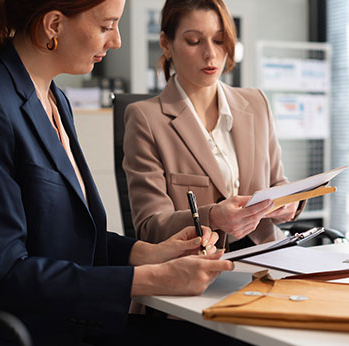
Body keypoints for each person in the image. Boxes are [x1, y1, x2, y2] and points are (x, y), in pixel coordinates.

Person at [0, 0, 236, 344]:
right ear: (54, 25)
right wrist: (152, 279)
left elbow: (65, 238)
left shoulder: (55, 99)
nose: (116, 40)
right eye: (107, 26)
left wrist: (148, 254)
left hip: (73, 320)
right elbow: (5, 273)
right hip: (33, 331)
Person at [123, 0, 305, 251]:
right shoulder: (145, 118)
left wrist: (288, 202)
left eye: (219, 40)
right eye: (194, 41)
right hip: (197, 266)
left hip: (266, 256)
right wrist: (213, 217)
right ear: (166, 44)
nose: (210, 53)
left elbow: (277, 182)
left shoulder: (256, 103)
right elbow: (150, 227)